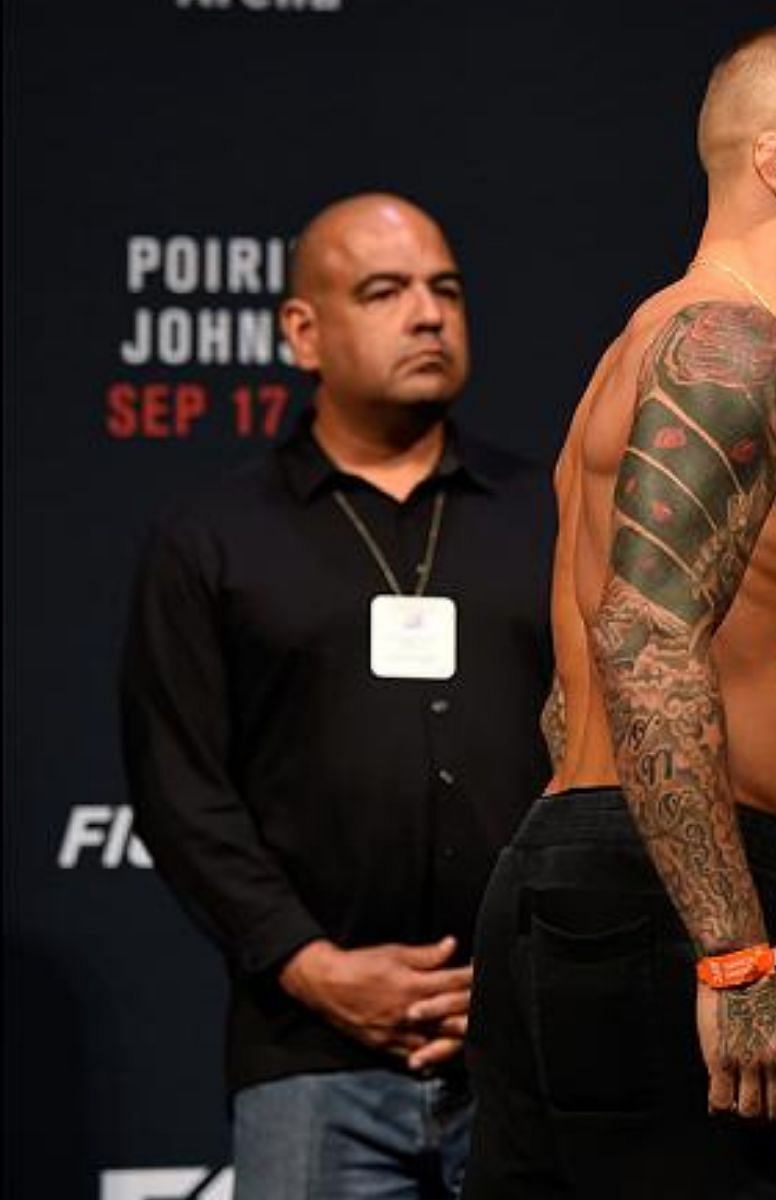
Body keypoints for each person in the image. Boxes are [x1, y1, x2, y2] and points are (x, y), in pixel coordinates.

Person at [462, 24, 776, 1198]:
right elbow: (642, 637)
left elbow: (577, 684)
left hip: (591, 877)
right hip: (666, 899)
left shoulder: (655, 332)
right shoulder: (734, 347)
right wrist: (730, 955)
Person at [120, 192, 554, 1197]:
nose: (428, 314)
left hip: (531, 1047)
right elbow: (181, 790)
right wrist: (313, 967)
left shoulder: (552, 515)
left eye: (445, 288)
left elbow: (609, 759)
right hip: (310, 1057)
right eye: (385, 290)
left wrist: (529, 966)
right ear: (304, 333)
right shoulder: (214, 537)